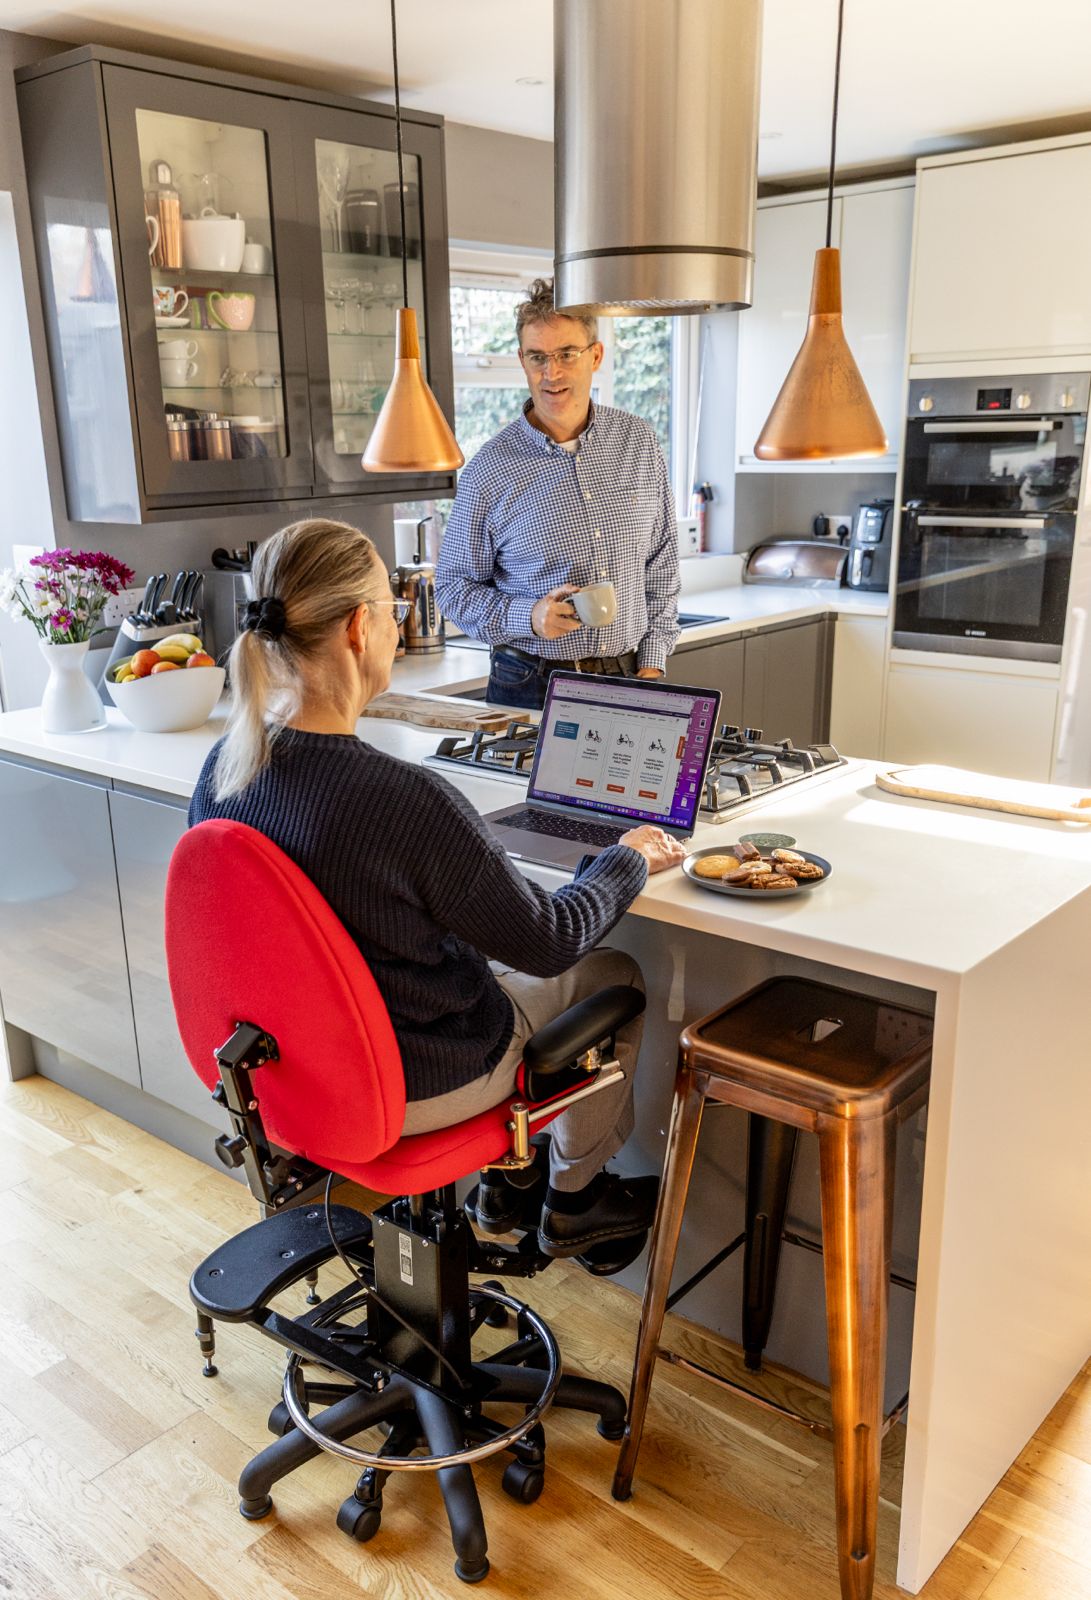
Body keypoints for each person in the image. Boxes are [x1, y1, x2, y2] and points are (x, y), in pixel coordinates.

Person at [189, 517, 686, 1262]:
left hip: (292, 1078)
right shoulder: (400, 798)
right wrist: (624, 861)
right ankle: (576, 1197)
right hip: (417, 1081)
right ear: (360, 628)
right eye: (392, 610)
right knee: (610, 975)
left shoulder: (225, 770)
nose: (396, 625)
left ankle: (504, 1187)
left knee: (476, 965)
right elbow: (550, 942)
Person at [435, 277, 680, 709]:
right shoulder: (489, 470)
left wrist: (653, 664)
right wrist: (528, 616)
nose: (552, 373)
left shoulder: (638, 442)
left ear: (596, 356)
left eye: (567, 354)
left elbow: (661, 566)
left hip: (631, 677)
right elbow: (453, 590)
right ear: (522, 360)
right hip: (531, 682)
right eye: (537, 357)